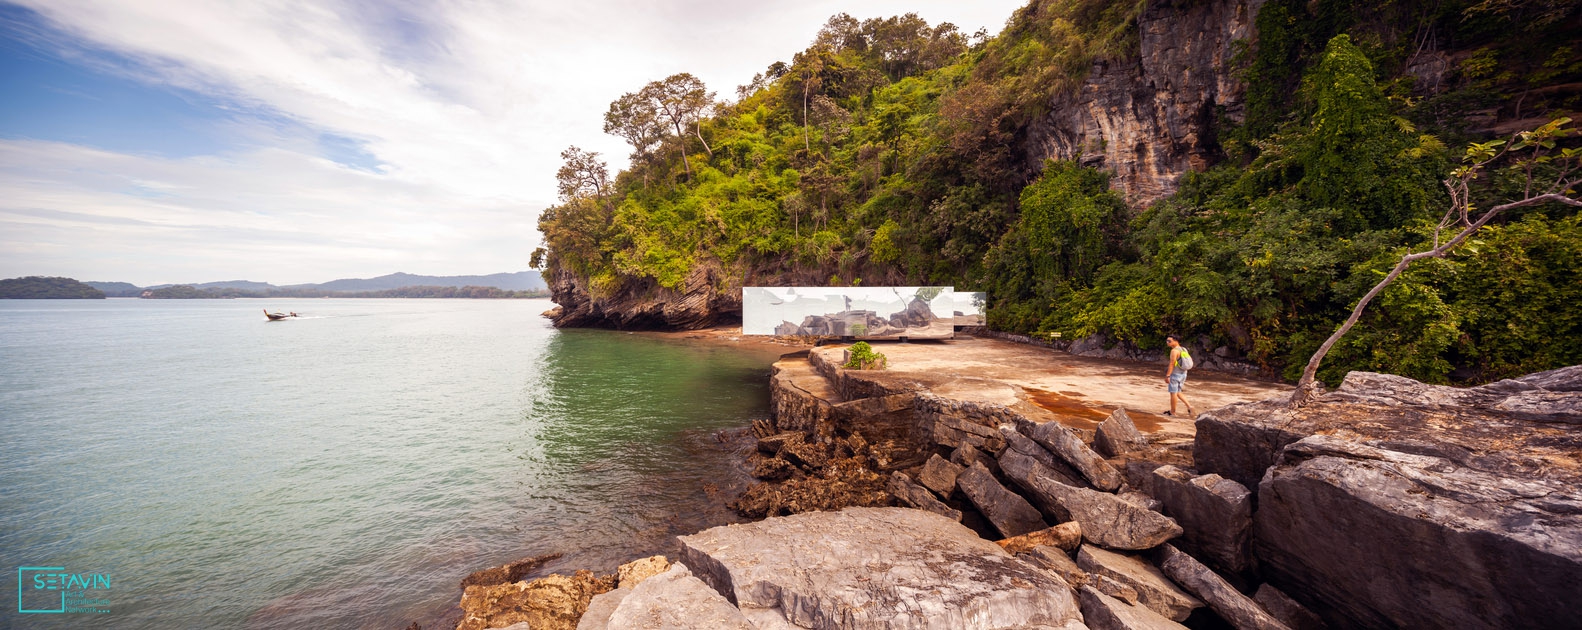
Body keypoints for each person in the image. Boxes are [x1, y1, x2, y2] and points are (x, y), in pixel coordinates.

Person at [1162, 334, 1194, 417]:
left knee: (1173, 393)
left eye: (1169, 341)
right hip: (1183, 374)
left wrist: (1168, 375)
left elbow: (1172, 363)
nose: (1167, 342)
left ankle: (1173, 412)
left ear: (1176, 341)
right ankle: (1190, 407)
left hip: (1175, 375)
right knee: (1178, 392)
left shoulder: (1174, 351)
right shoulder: (1183, 349)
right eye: (1167, 340)